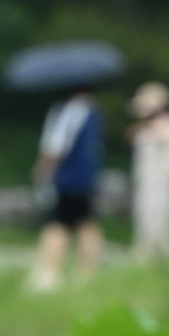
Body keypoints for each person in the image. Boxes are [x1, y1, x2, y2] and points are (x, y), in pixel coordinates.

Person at [27, 86, 104, 292]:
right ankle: (88, 273)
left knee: (57, 224)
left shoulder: (69, 111)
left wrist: (43, 169)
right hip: (86, 177)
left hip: (67, 177)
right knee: (86, 222)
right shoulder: (92, 110)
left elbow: (56, 146)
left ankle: (49, 274)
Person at [127, 82, 169, 261]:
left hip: (165, 183)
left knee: (163, 224)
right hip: (145, 182)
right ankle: (144, 257)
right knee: (144, 222)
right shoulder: (143, 128)